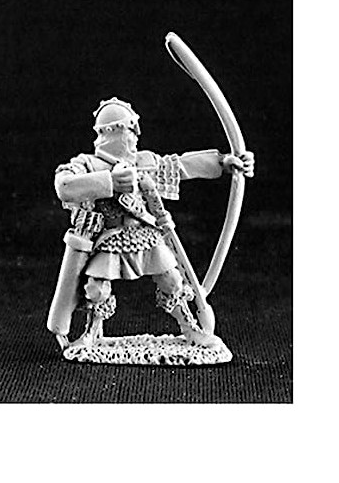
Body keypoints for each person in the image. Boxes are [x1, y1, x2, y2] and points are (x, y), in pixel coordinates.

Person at [47, 97, 254, 350]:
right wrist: (109, 181)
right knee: (97, 290)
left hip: (146, 234)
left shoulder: (143, 162)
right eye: (130, 131)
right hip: (110, 238)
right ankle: (92, 333)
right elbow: (64, 186)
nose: (136, 137)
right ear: (113, 133)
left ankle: (189, 327)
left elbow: (180, 166)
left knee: (172, 281)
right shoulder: (88, 164)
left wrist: (223, 163)